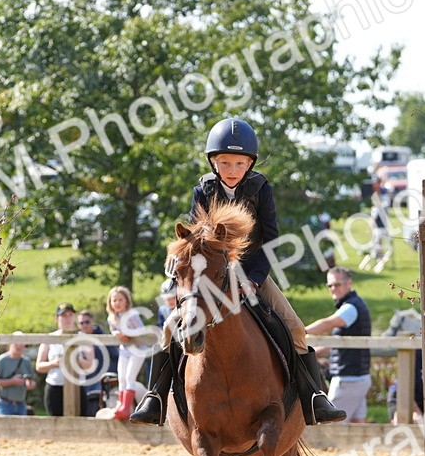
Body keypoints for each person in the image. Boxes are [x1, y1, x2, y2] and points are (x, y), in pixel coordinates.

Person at [130, 117, 345, 426]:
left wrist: (254, 280)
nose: (232, 169)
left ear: (249, 164)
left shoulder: (260, 188)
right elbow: (195, 237)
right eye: (225, 162)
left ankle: (315, 399)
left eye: (239, 163)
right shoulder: (204, 189)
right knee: (169, 329)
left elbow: (270, 240)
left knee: (295, 327)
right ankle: (155, 399)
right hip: (210, 277)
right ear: (214, 163)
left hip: (252, 271)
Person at [306, 267, 372, 423]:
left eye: (337, 284)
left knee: (330, 427)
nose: (333, 289)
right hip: (358, 377)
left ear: (349, 283)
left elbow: (329, 323)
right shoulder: (353, 305)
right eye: (330, 285)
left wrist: (300, 330)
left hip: (348, 379)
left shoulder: (350, 308)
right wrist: (313, 352)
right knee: (357, 428)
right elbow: (339, 344)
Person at [35, 303, 94, 417]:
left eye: (70, 315)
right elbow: (39, 366)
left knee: (79, 423)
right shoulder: (49, 338)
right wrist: (53, 363)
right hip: (55, 385)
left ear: (74, 317)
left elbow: (90, 365)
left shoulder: (84, 338)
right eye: (63, 316)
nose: (67, 319)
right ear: (57, 318)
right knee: (55, 423)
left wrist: (76, 359)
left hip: (77, 385)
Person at [106, 287, 150, 419]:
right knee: (122, 378)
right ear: (110, 303)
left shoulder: (132, 315)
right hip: (124, 350)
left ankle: (126, 407)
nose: (117, 303)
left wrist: (128, 334)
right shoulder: (112, 318)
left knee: (130, 377)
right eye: (114, 300)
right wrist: (116, 333)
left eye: (120, 300)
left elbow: (141, 331)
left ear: (126, 301)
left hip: (137, 349)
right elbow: (114, 330)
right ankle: (121, 405)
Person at [0, 332, 37, 416]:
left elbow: (33, 382)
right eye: (16, 342)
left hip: (21, 404)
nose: (19, 345)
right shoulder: (1, 361)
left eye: (22, 342)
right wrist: (12, 381)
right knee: (4, 429)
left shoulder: (27, 362)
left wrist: (29, 384)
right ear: (10, 343)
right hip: (4, 404)